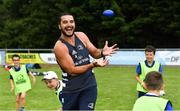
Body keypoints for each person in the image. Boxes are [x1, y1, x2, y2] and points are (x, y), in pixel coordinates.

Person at [54, 13, 119, 110]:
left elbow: (95, 53)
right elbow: (72, 71)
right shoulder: (59, 47)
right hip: (70, 90)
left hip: (89, 86)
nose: (69, 25)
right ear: (59, 26)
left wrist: (102, 53)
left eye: (71, 22)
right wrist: (92, 65)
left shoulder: (81, 36)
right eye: (65, 22)